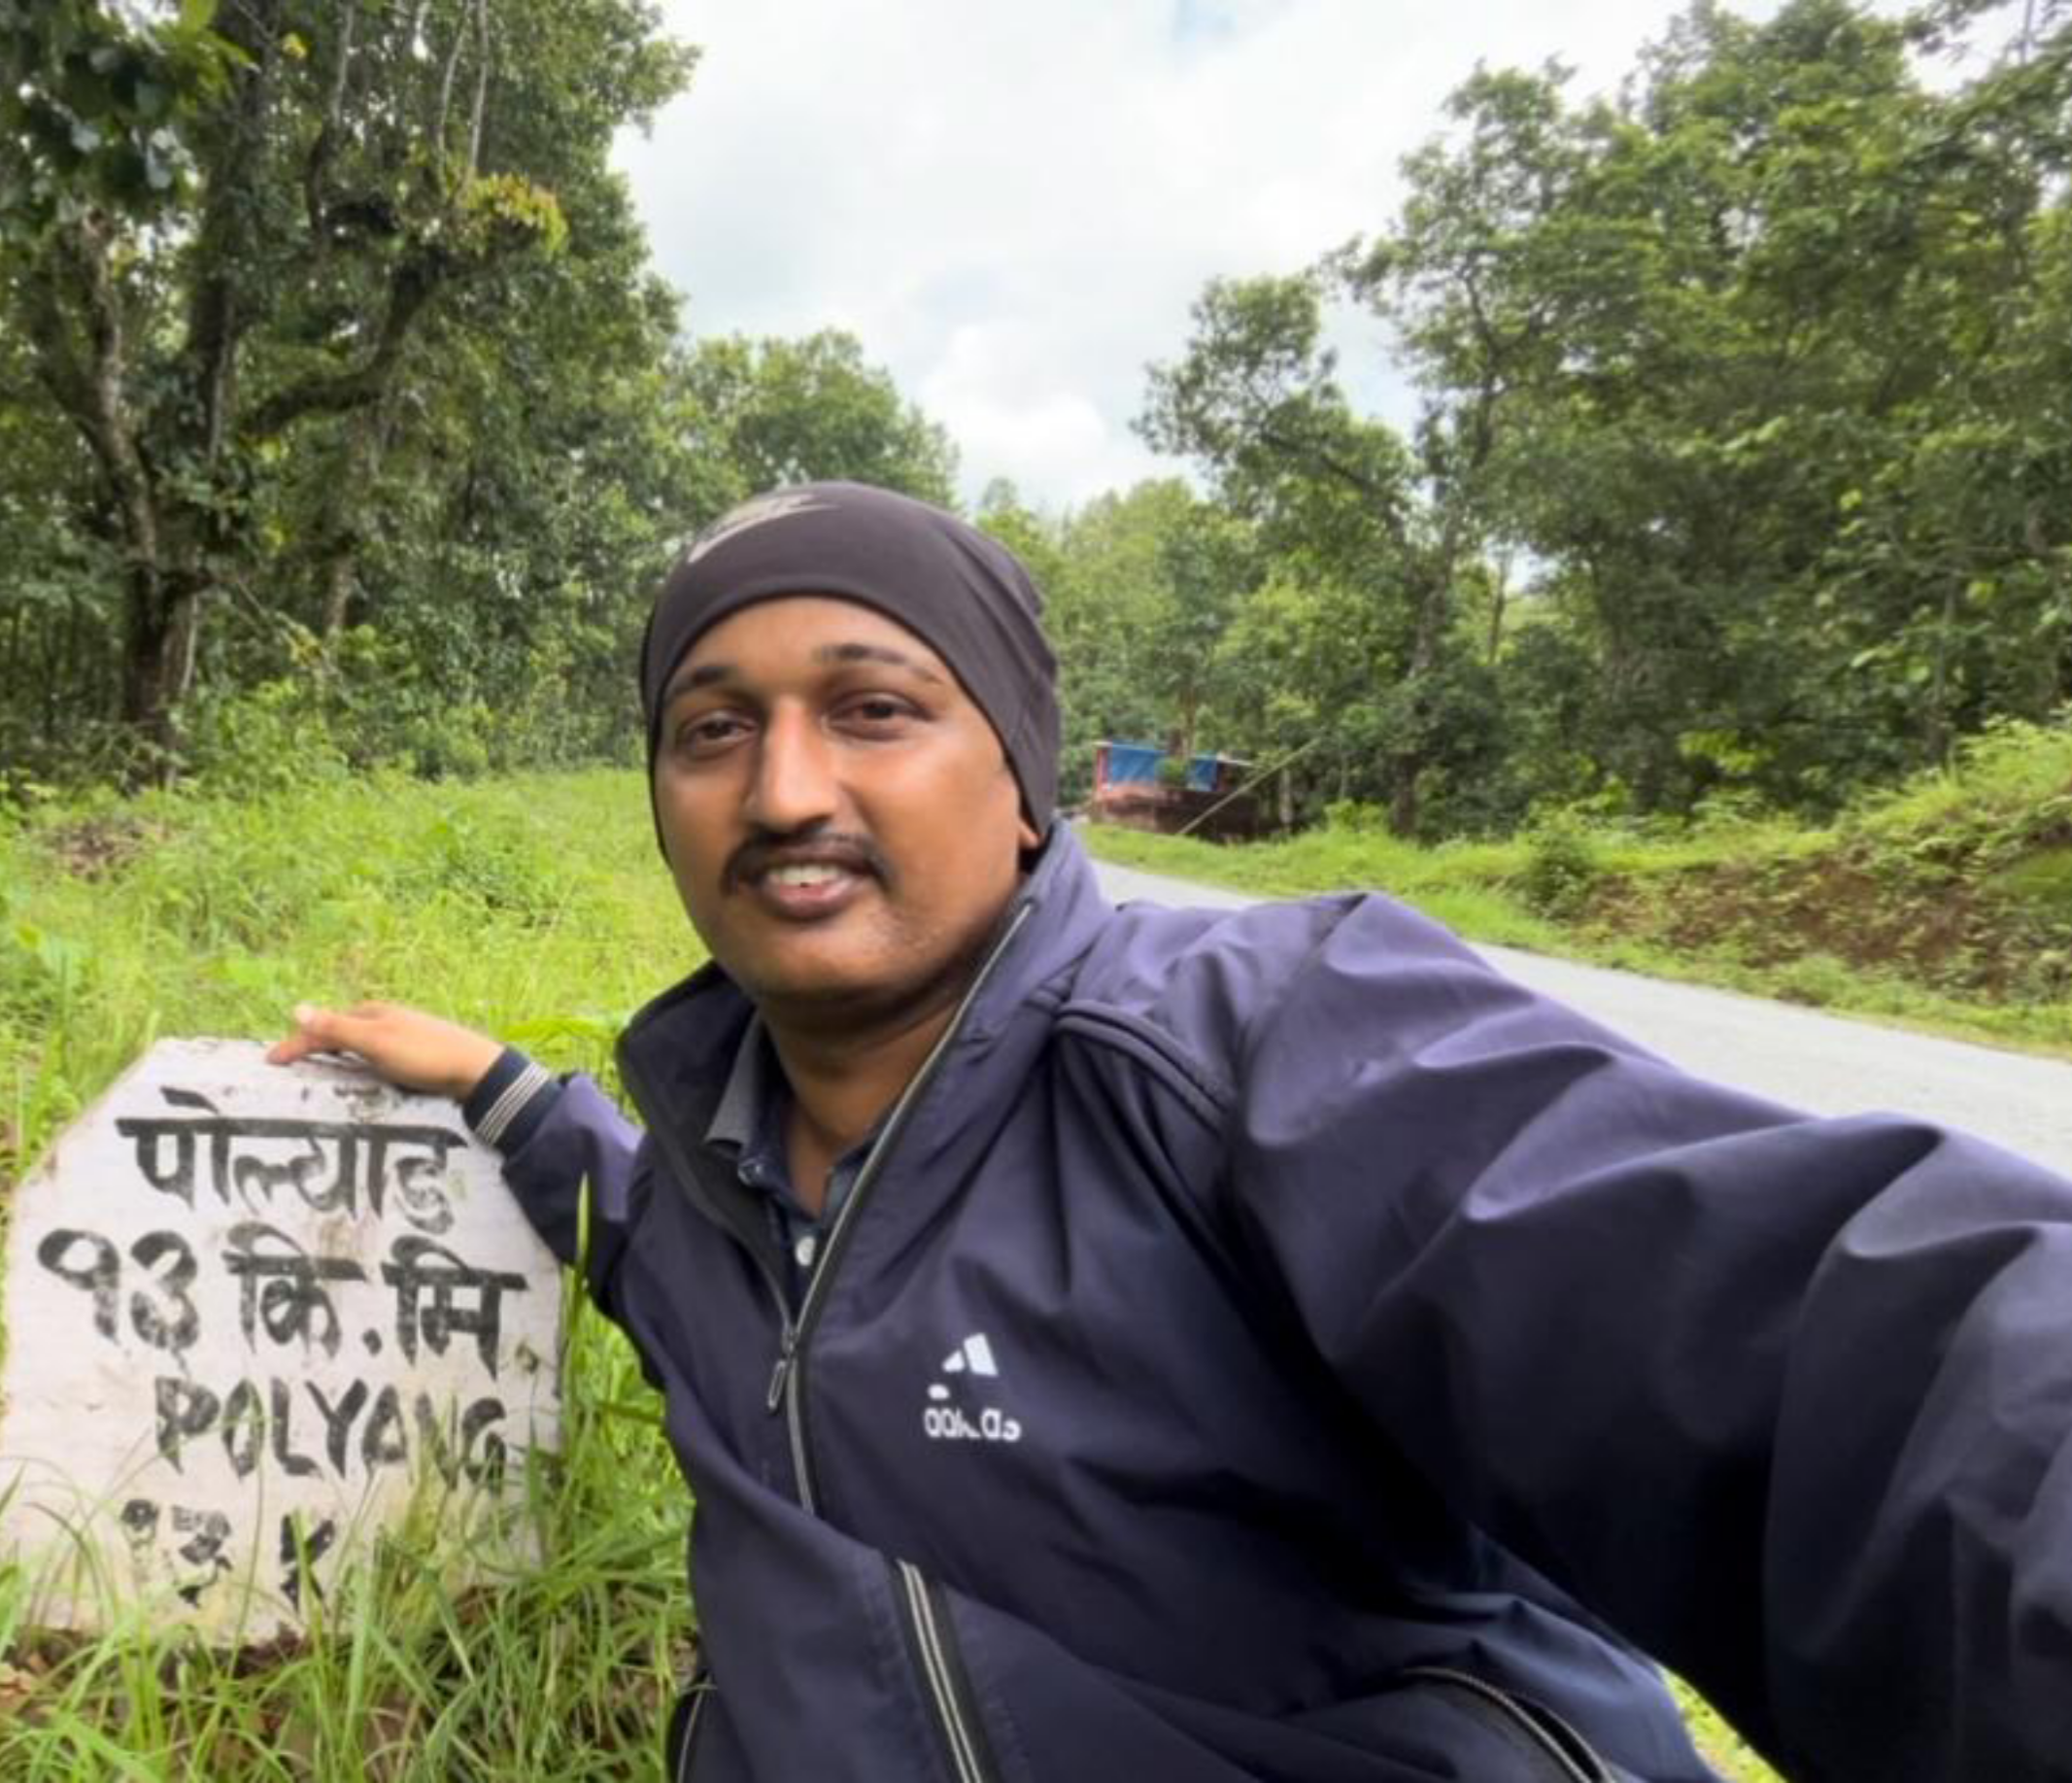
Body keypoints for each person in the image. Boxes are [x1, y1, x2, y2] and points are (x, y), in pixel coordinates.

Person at [267, 480, 2072, 1783]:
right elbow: (663, 1246)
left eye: (875, 709)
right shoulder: (725, 1185)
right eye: (710, 728)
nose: (786, 786)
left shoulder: (1264, 1038)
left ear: (1030, 787)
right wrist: (498, 1086)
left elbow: (1828, 1345)